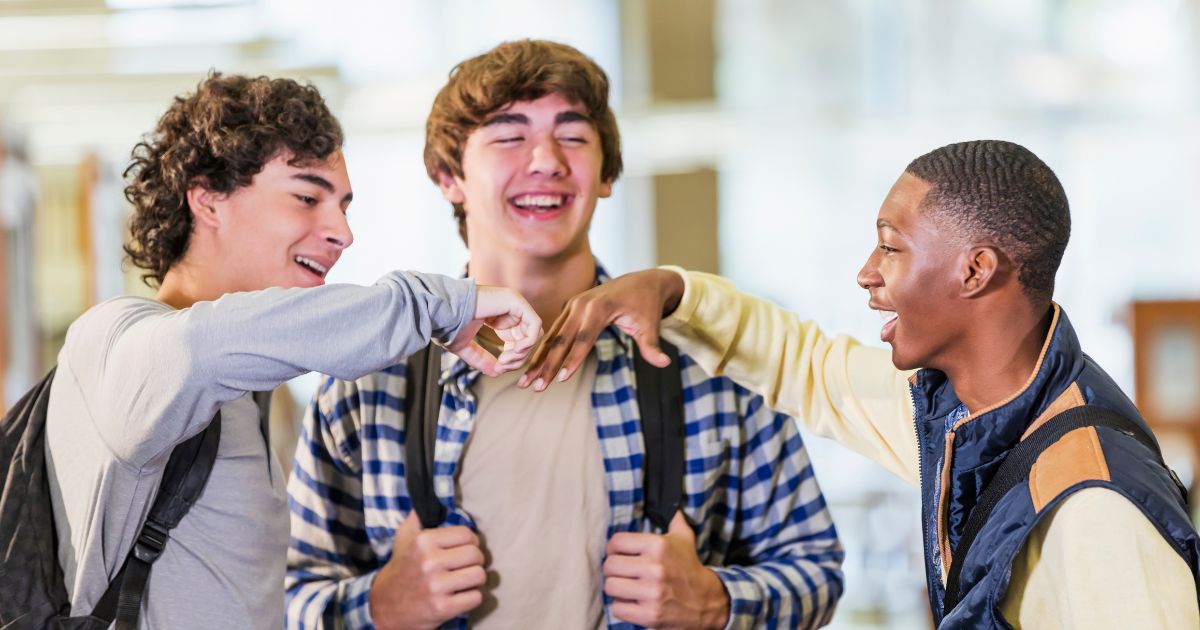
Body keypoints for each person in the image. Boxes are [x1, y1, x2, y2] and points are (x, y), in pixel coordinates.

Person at [524, 139, 1200, 628]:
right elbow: (806, 366)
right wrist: (671, 291)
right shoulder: (967, 414)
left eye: (891, 246)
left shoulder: (1094, 504)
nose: (867, 272)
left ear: (975, 270)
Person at [285, 39, 844, 630]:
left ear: (606, 176)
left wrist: (715, 602)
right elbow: (282, 597)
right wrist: (376, 607)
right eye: (509, 136)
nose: (547, 161)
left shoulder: (711, 369)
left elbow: (816, 570)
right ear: (449, 177)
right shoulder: (368, 384)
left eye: (573, 136)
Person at [43, 73, 541, 629]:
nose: (343, 233)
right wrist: (443, 306)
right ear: (208, 199)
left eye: (343, 207)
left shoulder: (241, 391)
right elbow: (208, 344)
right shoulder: (116, 342)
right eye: (307, 197)